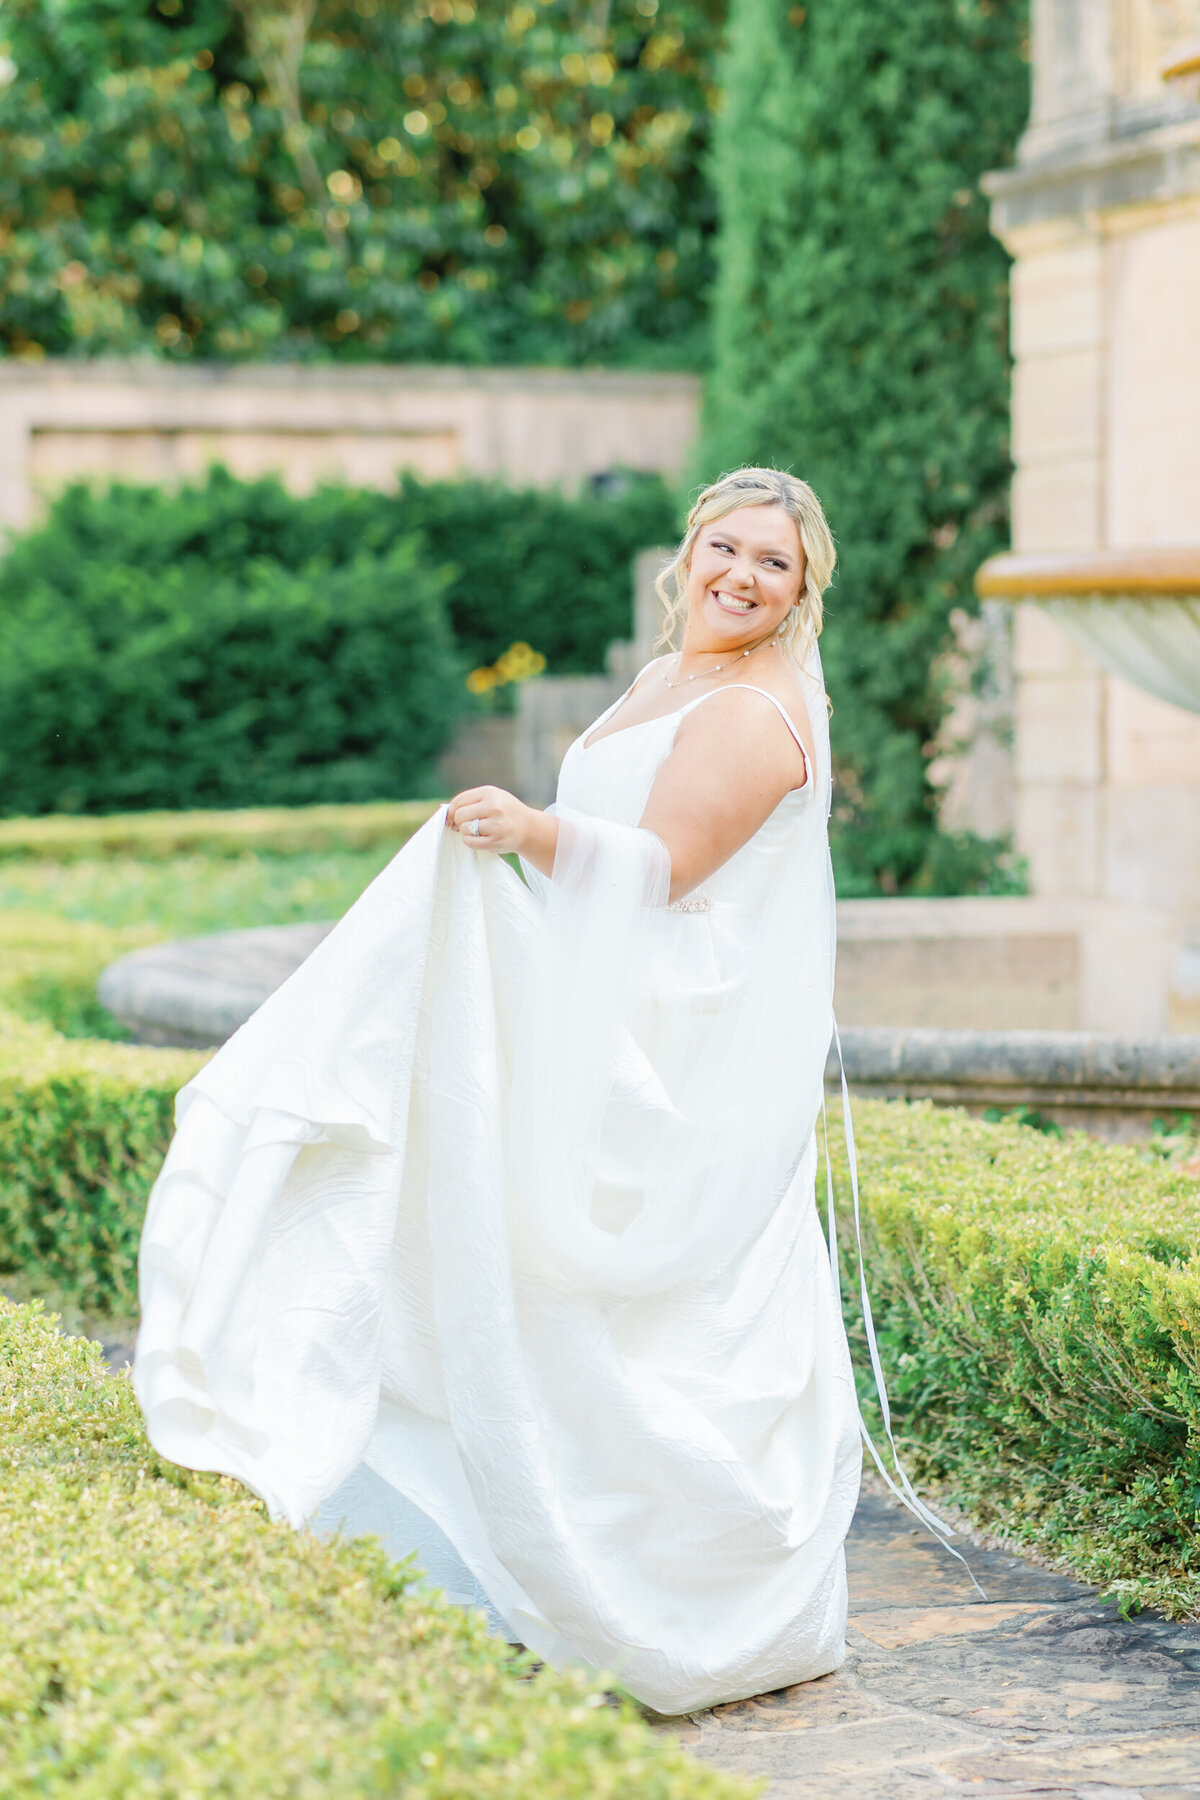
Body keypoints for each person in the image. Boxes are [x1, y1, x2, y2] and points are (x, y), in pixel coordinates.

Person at [134, 465, 864, 1716]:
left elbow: (666, 869)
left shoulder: (754, 711)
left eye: (775, 565)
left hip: (673, 1045)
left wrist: (530, 835)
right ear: (687, 551)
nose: (743, 576)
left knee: (618, 1300)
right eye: (728, 548)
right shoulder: (668, 676)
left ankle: (662, 1591)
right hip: (607, 1002)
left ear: (803, 592)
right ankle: (510, 1527)